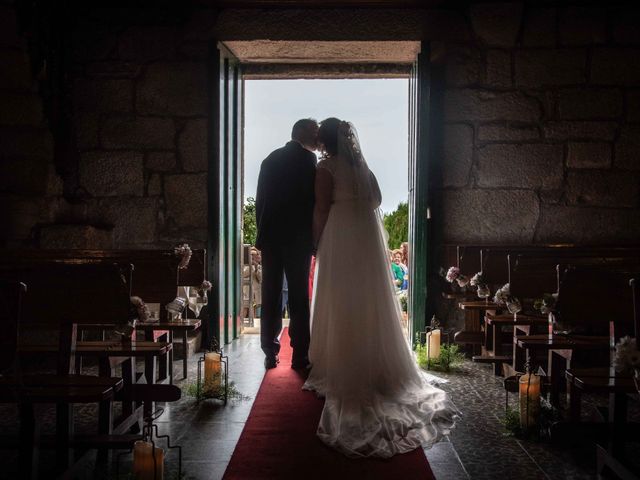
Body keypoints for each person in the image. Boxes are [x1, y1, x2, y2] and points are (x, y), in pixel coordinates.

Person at [303, 118, 458, 458]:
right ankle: (375, 360)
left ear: (326, 141)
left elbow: (320, 206)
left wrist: (316, 241)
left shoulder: (325, 167)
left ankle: (337, 361)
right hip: (364, 236)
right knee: (367, 298)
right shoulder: (363, 167)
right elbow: (376, 201)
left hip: (340, 235)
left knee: (339, 297)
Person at [255, 118, 318, 370]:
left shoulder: (270, 159)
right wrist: (314, 239)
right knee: (298, 296)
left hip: (271, 237)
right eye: (314, 133)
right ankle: (300, 354)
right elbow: (312, 202)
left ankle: (270, 352)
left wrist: (261, 236)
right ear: (302, 133)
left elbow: (261, 201)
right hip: (298, 239)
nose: (318, 137)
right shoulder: (307, 160)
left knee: (270, 295)